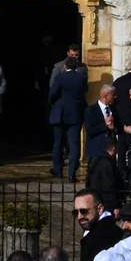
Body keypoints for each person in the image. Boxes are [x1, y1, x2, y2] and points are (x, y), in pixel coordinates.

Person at [49, 47, 89, 180]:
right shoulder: (81, 78)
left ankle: (58, 170)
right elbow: (84, 92)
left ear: (65, 66)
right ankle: (72, 173)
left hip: (59, 113)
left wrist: (55, 103)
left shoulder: (60, 77)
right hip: (75, 114)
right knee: (74, 144)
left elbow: (52, 93)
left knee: (58, 143)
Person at [75, 191, 125, 261]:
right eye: (75, 212)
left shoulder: (94, 238)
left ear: (100, 209)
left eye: (83, 211)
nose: (79, 217)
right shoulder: (113, 225)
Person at [84, 85, 118, 166]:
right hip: (96, 151)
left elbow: (116, 128)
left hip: (110, 151)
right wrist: (105, 125)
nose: (115, 97)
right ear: (105, 96)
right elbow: (90, 131)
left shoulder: (114, 109)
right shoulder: (90, 110)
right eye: (113, 95)